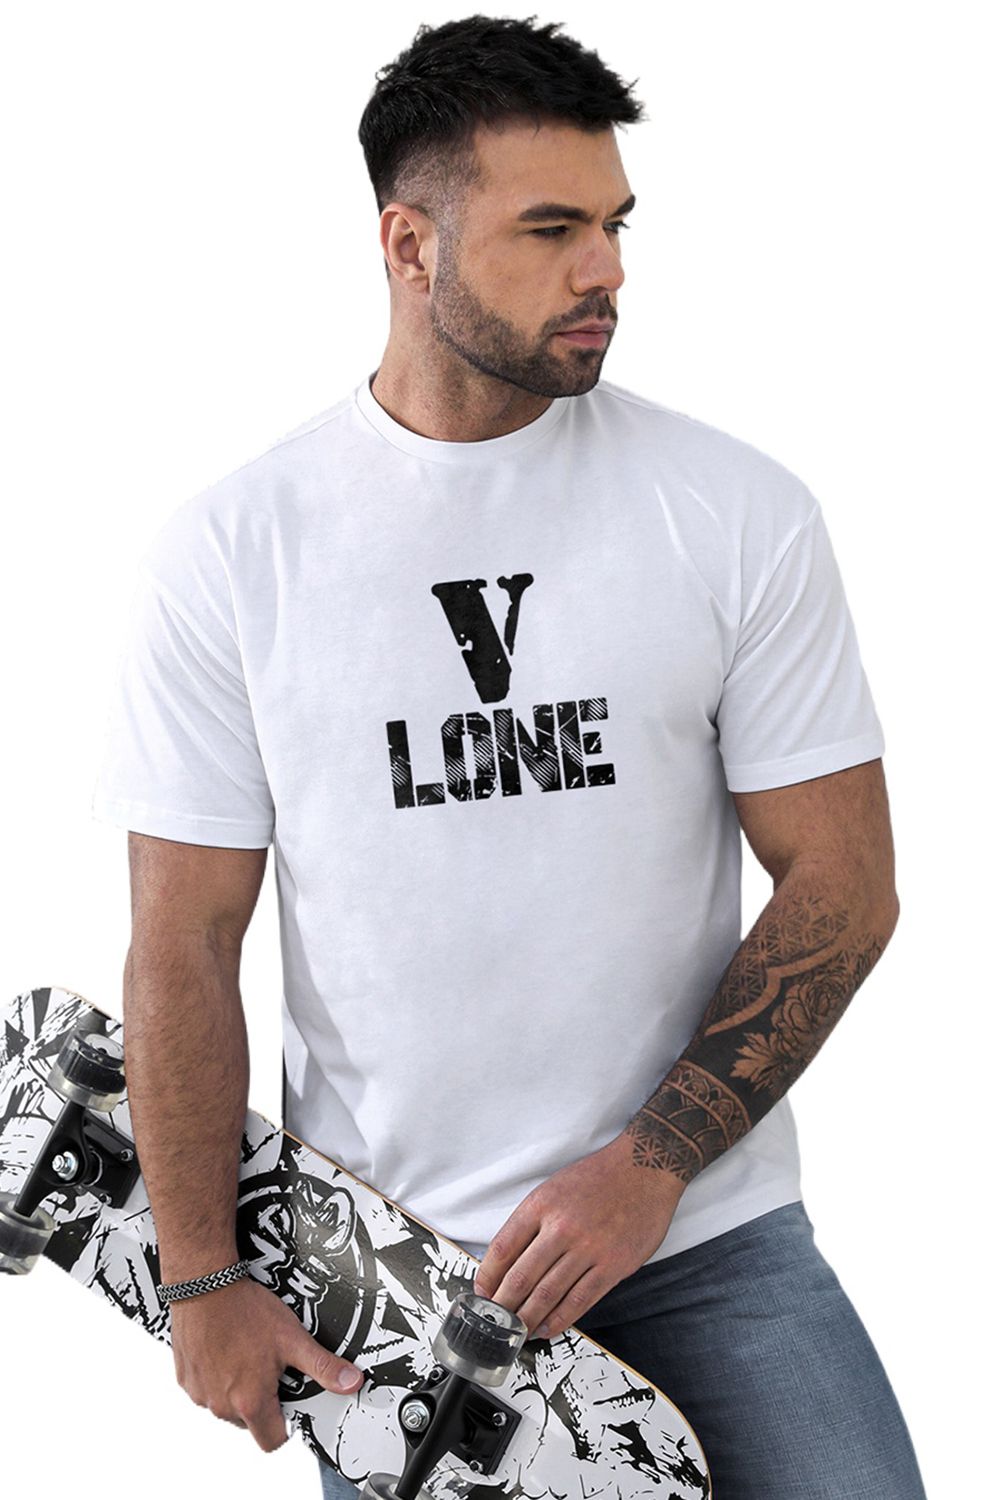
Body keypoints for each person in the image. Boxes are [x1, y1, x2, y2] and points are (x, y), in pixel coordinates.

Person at [90, 14, 928, 1500]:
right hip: (403, 1286)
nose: (606, 269)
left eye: (614, 224)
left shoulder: (732, 512)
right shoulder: (234, 554)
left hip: (708, 1235)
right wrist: (201, 1277)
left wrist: (648, 1168)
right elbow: (186, 938)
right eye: (551, 230)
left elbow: (844, 883)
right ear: (409, 246)